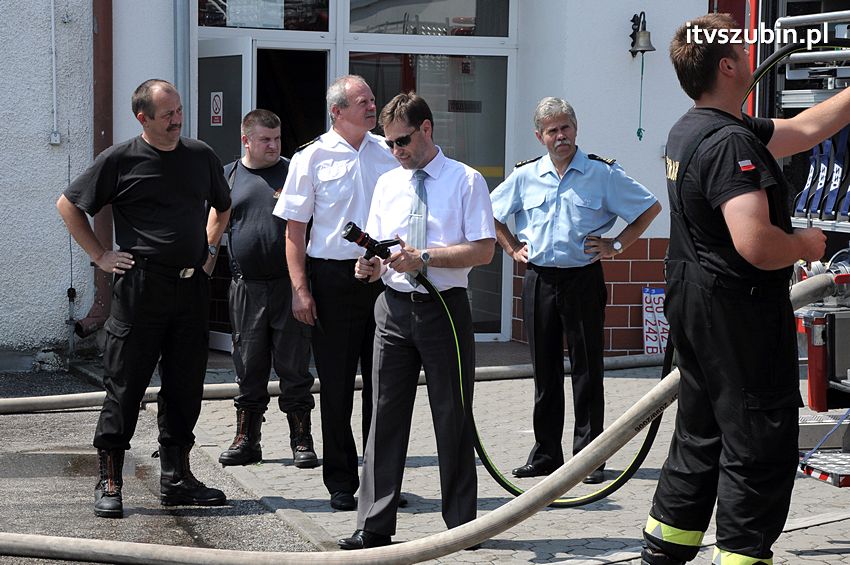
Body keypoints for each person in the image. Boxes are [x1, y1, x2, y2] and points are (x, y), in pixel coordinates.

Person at [640, 13, 850, 565]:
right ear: (728, 65)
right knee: (756, 444)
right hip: (738, 312)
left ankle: (664, 550)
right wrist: (811, 242)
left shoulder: (693, 128)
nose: (753, 52)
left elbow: (804, 131)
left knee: (700, 432)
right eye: (742, 46)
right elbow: (756, 243)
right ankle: (741, 556)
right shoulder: (730, 143)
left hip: (695, 303)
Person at [56, 79, 231, 518]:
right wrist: (100, 255)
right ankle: (111, 478)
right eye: (167, 114)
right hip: (140, 288)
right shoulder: (120, 159)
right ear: (143, 118)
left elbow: (222, 206)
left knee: (185, 385)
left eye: (178, 111)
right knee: (125, 384)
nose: (176, 120)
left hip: (191, 288)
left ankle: (177, 478)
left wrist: (209, 251)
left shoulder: (200, 156)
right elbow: (68, 205)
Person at [338, 91, 495, 550]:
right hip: (392, 308)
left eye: (402, 140)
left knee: (452, 416)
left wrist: (422, 257)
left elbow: (483, 250)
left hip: (444, 308)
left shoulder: (465, 181)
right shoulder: (389, 183)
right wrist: (370, 266)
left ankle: (463, 526)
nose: (396, 151)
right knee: (384, 416)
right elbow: (380, 247)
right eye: (388, 143)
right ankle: (374, 525)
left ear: (427, 129)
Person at [490, 97, 661, 485]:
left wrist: (616, 245)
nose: (560, 136)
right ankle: (547, 454)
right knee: (545, 372)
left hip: (582, 280)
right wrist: (512, 247)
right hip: (539, 280)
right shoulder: (526, 175)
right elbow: (492, 213)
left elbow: (649, 208)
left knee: (587, 370)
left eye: (565, 127)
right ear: (540, 136)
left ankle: (589, 457)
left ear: (575, 128)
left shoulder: (601, 173)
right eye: (552, 130)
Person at [273, 75, 399, 511]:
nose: (372, 106)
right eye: (363, 101)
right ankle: (341, 481)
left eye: (372, 99)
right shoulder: (311, 158)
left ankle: (380, 481)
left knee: (386, 385)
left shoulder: (388, 152)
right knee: (338, 386)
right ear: (338, 111)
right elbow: (294, 230)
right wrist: (300, 289)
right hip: (332, 279)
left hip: (383, 275)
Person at [209, 109, 317, 470]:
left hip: (289, 286)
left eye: (277, 139)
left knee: (294, 368)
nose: (273, 146)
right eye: (265, 140)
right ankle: (246, 440)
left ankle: (301, 440)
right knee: (248, 366)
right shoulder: (228, 177)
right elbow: (211, 231)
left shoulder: (294, 173)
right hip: (246, 287)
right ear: (246, 140)